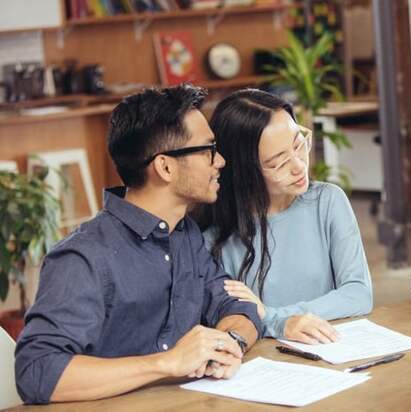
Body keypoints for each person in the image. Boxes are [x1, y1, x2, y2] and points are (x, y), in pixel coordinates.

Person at [14, 85, 261, 404]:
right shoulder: (83, 257)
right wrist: (166, 363)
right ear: (165, 167)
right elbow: (37, 372)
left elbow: (238, 305)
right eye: (208, 150)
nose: (221, 161)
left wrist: (228, 344)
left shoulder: (184, 234)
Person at [194, 89, 372, 343]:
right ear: (244, 170)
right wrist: (279, 324)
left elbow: (358, 295)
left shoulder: (328, 201)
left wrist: (275, 317)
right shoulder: (214, 238)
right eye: (278, 162)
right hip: (262, 363)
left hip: (330, 346)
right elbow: (229, 321)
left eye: (299, 145)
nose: (299, 166)